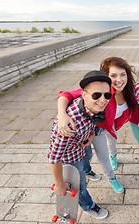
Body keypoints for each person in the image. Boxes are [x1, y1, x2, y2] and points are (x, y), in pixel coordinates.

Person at [57, 57, 137, 193]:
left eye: (123, 74)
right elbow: (66, 94)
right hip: (95, 128)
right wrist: (62, 116)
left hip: (110, 126)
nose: (119, 80)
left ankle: (114, 156)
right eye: (113, 75)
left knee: (113, 142)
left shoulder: (129, 91)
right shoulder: (101, 91)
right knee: (99, 156)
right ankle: (111, 178)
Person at [48, 70, 111, 220]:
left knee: (88, 157)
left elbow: (93, 120)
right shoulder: (67, 125)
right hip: (71, 155)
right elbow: (54, 157)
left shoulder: (94, 106)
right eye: (96, 95)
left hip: (83, 144)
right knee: (81, 185)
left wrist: (92, 134)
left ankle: (87, 170)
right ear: (83, 95)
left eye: (107, 95)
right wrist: (59, 184)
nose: (103, 100)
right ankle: (88, 206)